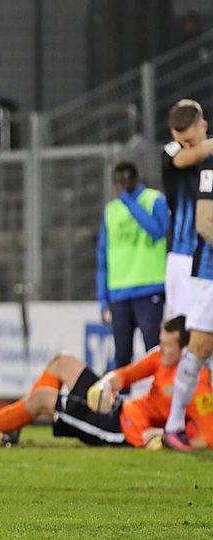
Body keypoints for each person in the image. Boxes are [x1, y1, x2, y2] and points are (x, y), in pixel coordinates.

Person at [0, 317, 213, 449]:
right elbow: (125, 375)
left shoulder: (198, 384)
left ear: (186, 349)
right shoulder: (160, 358)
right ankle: (11, 427)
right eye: (161, 343)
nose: (161, 349)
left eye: (168, 345)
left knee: (42, 399)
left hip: (121, 431)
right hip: (118, 408)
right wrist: (106, 385)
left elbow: (208, 437)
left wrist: (168, 440)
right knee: (62, 362)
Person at [163, 102, 213, 450]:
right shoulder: (175, 153)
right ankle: (170, 418)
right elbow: (185, 158)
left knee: (201, 344)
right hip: (190, 261)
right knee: (185, 341)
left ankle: (187, 421)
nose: (184, 143)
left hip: (198, 258)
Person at [96, 162, 168, 378]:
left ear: (136, 180)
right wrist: (103, 298)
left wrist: (130, 202)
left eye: (125, 182)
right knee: (121, 354)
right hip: (119, 291)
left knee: (154, 349)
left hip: (149, 287)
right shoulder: (111, 210)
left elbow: (158, 230)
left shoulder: (154, 200)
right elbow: (102, 255)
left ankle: (160, 393)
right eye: (118, 183)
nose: (122, 187)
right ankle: (119, 398)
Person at [161, 100, 212, 319]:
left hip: (207, 253)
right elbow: (186, 158)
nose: (186, 146)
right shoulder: (171, 151)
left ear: (203, 126)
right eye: (180, 140)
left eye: (189, 140)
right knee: (180, 326)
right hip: (182, 256)